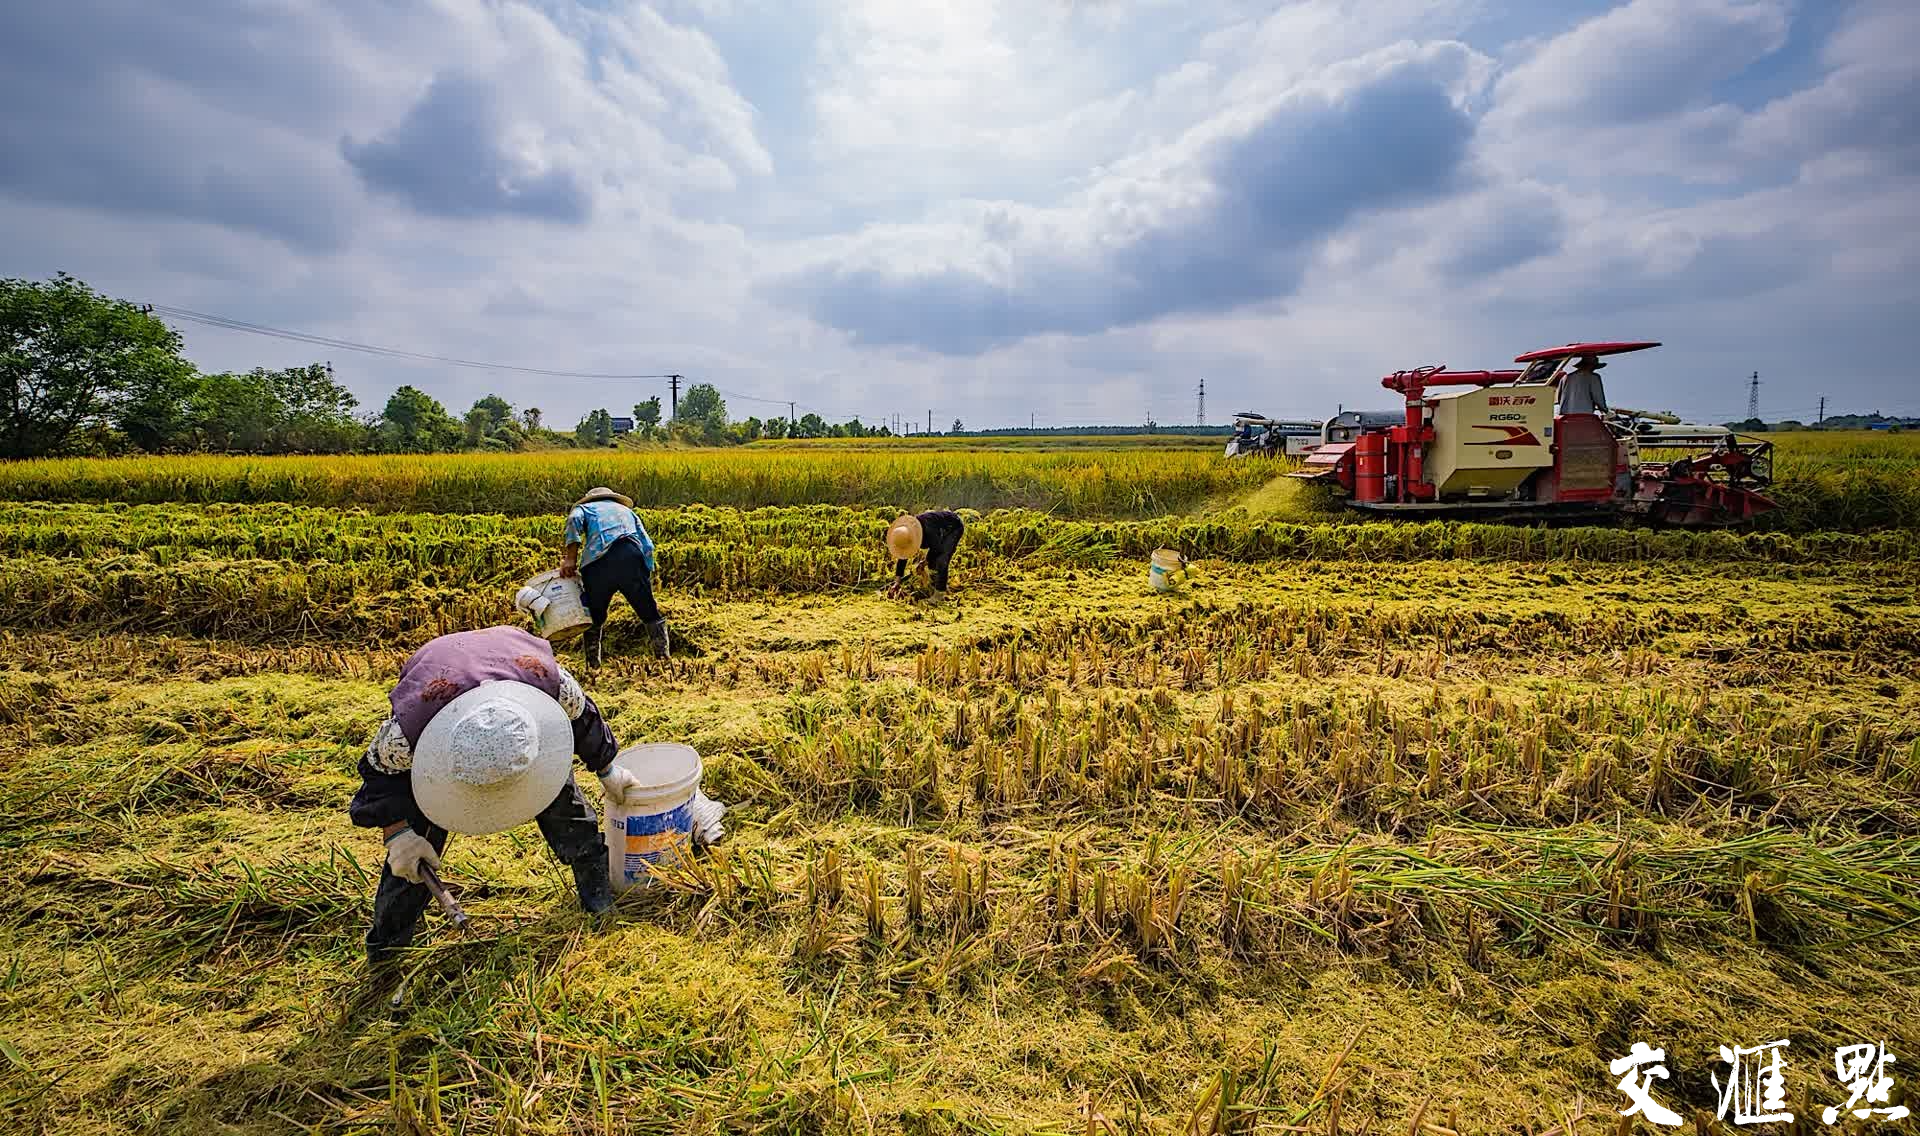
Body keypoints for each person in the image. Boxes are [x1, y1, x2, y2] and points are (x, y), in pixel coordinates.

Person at [347, 625, 724, 965]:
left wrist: (607, 768)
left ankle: (599, 904)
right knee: (412, 866)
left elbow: (584, 721)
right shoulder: (405, 739)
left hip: (515, 683)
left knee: (573, 820)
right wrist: (398, 834)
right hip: (441, 681)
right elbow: (377, 780)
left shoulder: (551, 685)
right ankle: (387, 950)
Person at [561, 486, 667, 664]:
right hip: (631, 557)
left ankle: (593, 665)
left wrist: (570, 558)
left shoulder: (585, 508)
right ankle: (663, 658)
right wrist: (646, 571)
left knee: (595, 616)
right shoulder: (626, 511)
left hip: (599, 562)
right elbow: (647, 544)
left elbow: (573, 519)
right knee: (648, 611)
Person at [886, 510, 965, 595]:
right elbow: (903, 557)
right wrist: (897, 581)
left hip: (953, 527)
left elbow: (937, 548)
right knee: (932, 564)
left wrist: (924, 563)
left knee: (942, 560)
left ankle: (939, 594)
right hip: (938, 530)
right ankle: (934, 586)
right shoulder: (905, 534)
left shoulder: (928, 530)